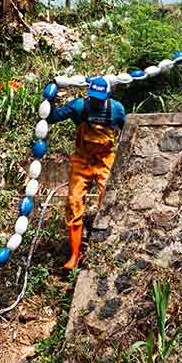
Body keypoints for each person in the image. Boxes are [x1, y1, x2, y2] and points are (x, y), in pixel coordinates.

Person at [47, 77, 126, 270]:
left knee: (107, 199)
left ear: (107, 95)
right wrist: (50, 95)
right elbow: (52, 117)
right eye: (93, 97)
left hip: (105, 159)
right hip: (81, 160)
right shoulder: (78, 106)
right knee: (74, 203)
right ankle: (75, 255)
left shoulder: (116, 109)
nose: (96, 101)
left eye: (100, 98)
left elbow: (128, 130)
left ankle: (106, 248)